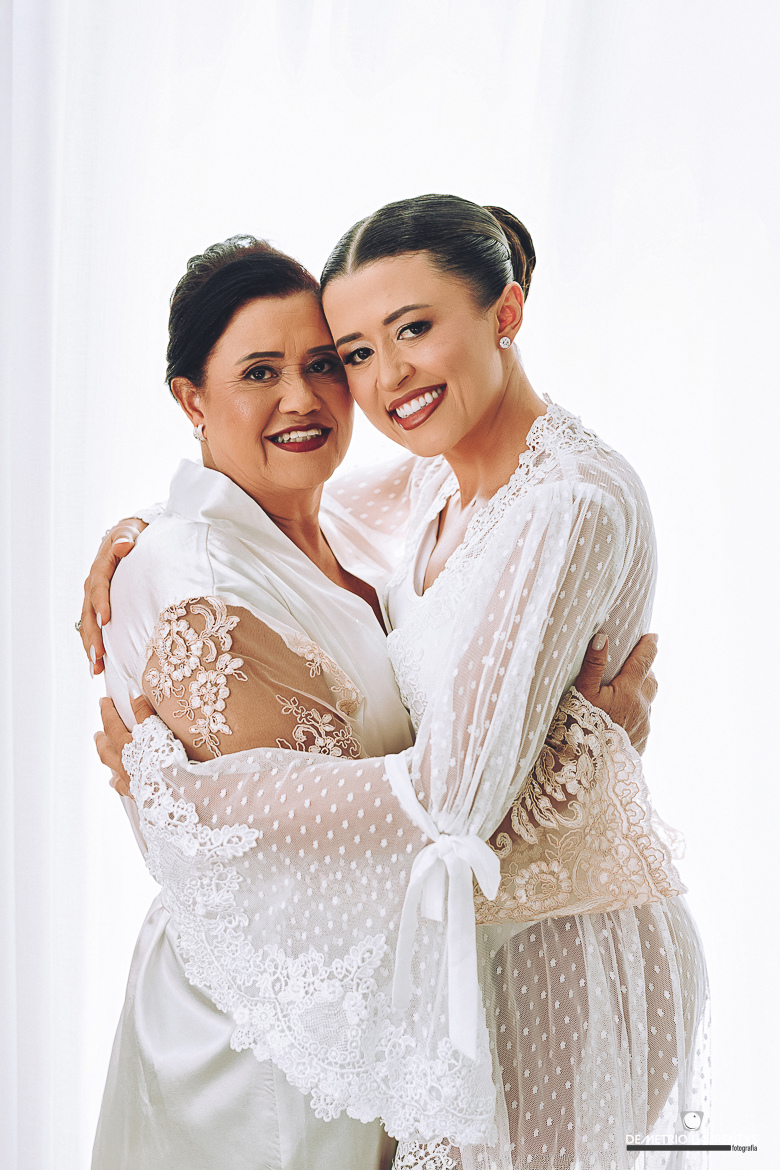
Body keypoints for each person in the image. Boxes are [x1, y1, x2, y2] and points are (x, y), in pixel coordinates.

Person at [85, 202, 705, 1169]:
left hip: (561, 966)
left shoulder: (565, 503)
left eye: (411, 329)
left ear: (506, 313)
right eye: (360, 352)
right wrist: (138, 533)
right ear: (191, 398)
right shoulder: (433, 485)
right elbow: (258, 514)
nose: (384, 380)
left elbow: (449, 804)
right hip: (453, 983)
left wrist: (181, 800)